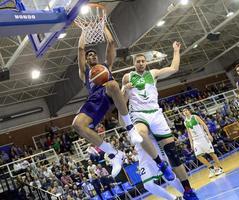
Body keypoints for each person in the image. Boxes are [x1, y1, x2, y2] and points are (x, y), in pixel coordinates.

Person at [122, 41, 198, 199]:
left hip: (156, 113)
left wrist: (176, 50)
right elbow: (121, 102)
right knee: (141, 133)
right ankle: (161, 164)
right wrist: (125, 89)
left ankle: (188, 191)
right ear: (134, 63)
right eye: (138, 61)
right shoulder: (127, 77)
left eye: (143, 61)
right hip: (138, 113)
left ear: (146, 62)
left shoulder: (153, 73)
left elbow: (174, 68)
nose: (141, 63)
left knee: (173, 153)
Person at [72, 26, 143, 178]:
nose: (92, 56)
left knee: (111, 84)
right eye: (89, 55)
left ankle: (130, 129)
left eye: (94, 55)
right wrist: (84, 31)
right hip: (94, 100)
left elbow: (110, 43)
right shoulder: (84, 72)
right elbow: (80, 49)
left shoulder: (105, 66)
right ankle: (114, 154)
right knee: (77, 125)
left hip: (110, 94)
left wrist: (103, 26)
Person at [136, 134, 184, 200]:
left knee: (168, 176)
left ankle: (186, 193)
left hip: (154, 146)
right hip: (142, 154)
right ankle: (173, 198)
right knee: (148, 185)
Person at [182, 108, 223, 178]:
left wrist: (209, 134)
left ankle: (220, 168)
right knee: (198, 156)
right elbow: (189, 133)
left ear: (189, 111)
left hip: (203, 137)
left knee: (211, 153)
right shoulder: (185, 122)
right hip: (195, 141)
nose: (185, 112)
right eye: (183, 111)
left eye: (186, 110)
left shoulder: (195, 117)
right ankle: (211, 168)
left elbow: (204, 125)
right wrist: (191, 143)